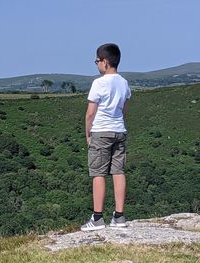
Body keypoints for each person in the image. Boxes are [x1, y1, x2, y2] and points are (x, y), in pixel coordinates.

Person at [81, 43, 131, 231]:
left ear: (105, 62)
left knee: (98, 174)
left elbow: (90, 113)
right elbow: (124, 110)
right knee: (118, 171)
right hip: (119, 130)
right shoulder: (124, 82)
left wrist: (88, 134)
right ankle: (119, 216)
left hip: (101, 132)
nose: (96, 64)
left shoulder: (99, 83)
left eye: (97, 61)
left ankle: (97, 218)